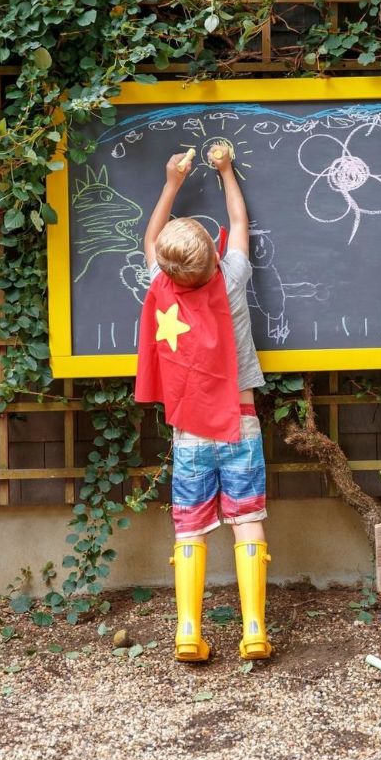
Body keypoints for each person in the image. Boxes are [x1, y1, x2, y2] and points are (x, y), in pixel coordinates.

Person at [135, 142, 272, 664]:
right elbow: (239, 221)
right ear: (215, 257)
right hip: (239, 422)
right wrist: (226, 170)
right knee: (247, 518)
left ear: (166, 270)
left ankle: (188, 631)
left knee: (190, 526)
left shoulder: (160, 289)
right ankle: (254, 629)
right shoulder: (231, 281)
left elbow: (150, 239)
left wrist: (171, 182)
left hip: (190, 430)